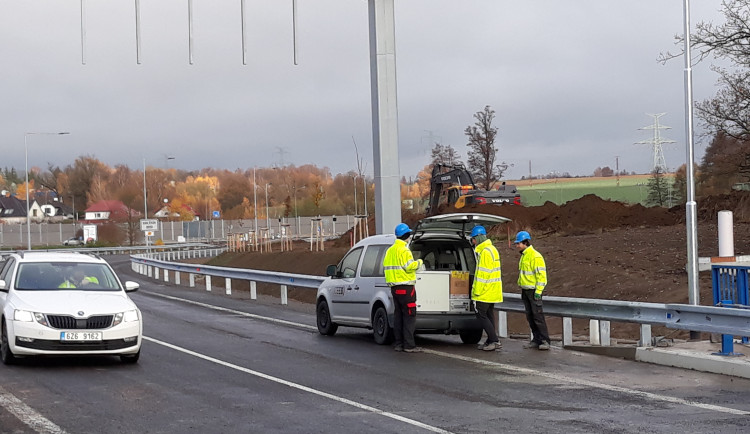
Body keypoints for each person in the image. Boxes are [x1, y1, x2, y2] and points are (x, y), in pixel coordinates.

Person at [383, 223, 424, 353]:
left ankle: (399, 343)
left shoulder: (390, 251)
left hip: (394, 288)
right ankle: (409, 345)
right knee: (409, 316)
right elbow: (409, 266)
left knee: (399, 316)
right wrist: (420, 262)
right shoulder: (404, 250)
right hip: (406, 288)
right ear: (406, 236)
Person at [514, 230, 551, 350]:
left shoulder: (535, 256)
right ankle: (536, 339)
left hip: (534, 291)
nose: (516, 246)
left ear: (524, 243)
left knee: (538, 317)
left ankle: (545, 340)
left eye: (518, 243)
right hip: (526, 291)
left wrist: (538, 292)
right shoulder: (525, 256)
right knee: (530, 317)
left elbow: (541, 276)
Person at [470, 225, 503, 351]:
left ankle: (494, 340)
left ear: (478, 238)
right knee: (489, 315)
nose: (472, 242)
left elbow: (482, 275)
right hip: (492, 290)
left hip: (484, 291)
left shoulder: (485, 252)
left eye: (473, 239)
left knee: (482, 315)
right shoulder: (492, 249)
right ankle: (490, 340)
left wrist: (476, 292)